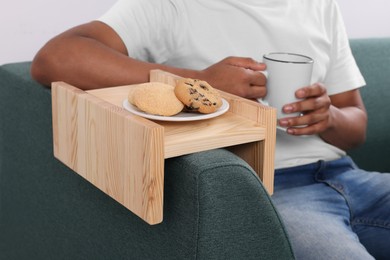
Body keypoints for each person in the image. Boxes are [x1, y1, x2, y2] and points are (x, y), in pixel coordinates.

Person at [31, 0, 390, 259]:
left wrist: (329, 118)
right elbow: (54, 59)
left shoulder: (320, 6)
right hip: (266, 190)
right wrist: (202, 82)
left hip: (349, 177)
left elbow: (355, 125)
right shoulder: (173, 7)